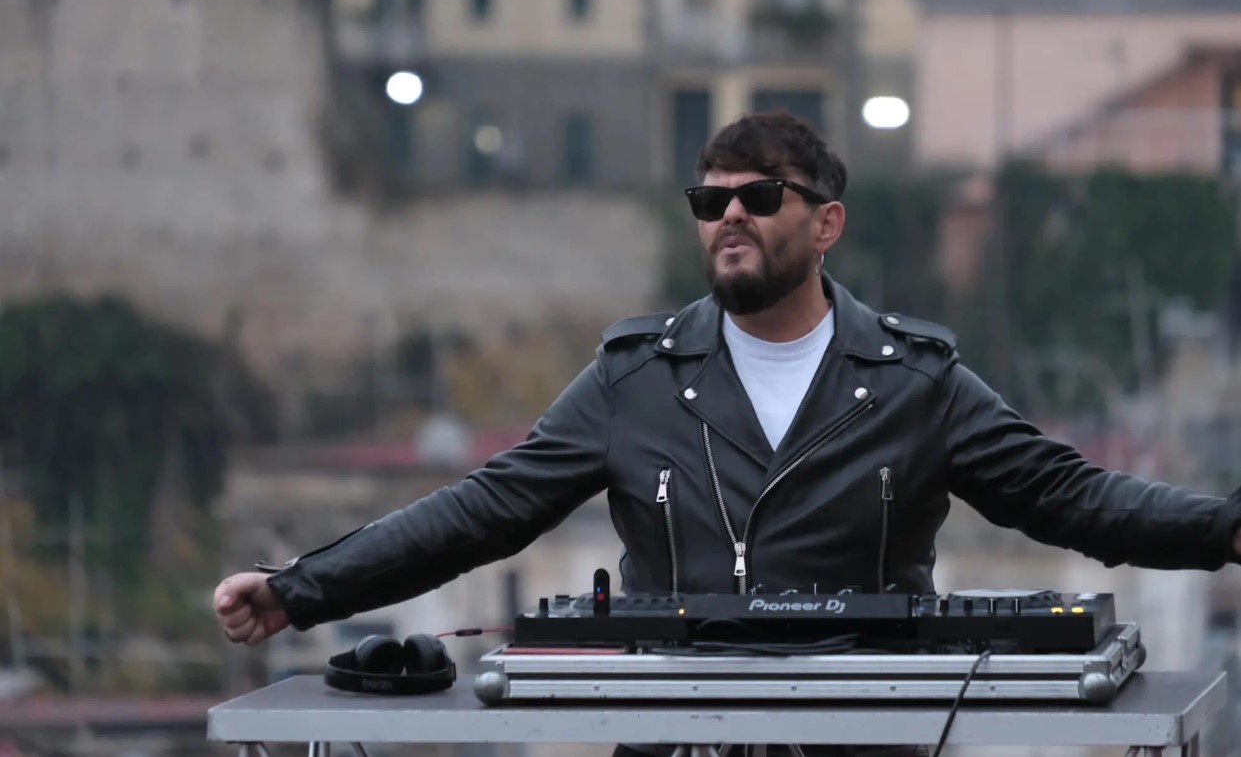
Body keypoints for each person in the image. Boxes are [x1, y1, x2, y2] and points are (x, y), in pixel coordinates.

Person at [214, 112, 1241, 757]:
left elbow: (1069, 496)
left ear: (825, 223)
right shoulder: (633, 377)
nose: (729, 216)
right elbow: (485, 509)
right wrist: (302, 586)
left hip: (866, 739)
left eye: (758, 195)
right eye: (710, 199)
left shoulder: (914, 379)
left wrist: (1223, 528)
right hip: (670, 739)